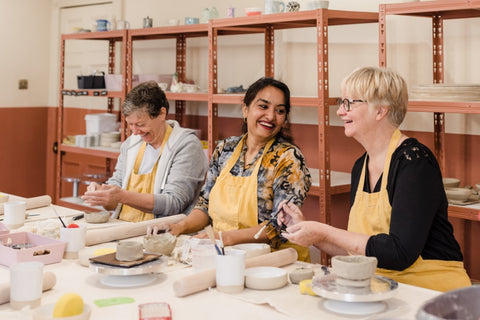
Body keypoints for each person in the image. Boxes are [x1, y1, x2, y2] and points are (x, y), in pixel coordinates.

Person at [277, 66, 471, 291]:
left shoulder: (414, 161)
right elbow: (360, 252)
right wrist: (308, 233)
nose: (340, 111)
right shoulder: (361, 166)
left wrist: (323, 230)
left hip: (430, 292)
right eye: (341, 102)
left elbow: (399, 254)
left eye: (349, 103)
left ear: (380, 111)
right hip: (384, 288)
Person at [149, 77, 312, 261]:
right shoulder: (225, 149)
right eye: (263, 106)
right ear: (245, 109)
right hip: (225, 254)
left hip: (274, 262)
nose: (271, 116)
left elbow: (281, 226)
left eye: (280, 111)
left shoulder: (288, 158)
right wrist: (180, 227)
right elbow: (205, 206)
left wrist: (225, 238)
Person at [81, 81, 208, 222]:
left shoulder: (186, 145)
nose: (135, 132)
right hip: (123, 227)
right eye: (130, 125)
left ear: (161, 114)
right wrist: (102, 194)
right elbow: (116, 190)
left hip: (164, 233)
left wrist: (122, 196)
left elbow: (174, 203)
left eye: (140, 125)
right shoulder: (131, 144)